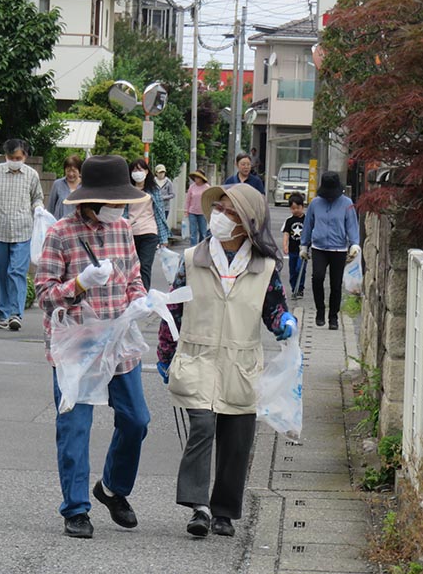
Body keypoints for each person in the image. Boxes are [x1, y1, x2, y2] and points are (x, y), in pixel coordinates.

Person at [156, 183, 296, 539]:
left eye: (229, 212)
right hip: (198, 357)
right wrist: (165, 354)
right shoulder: (193, 259)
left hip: (241, 362)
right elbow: (173, 308)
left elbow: (274, 307)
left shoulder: (264, 267)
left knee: (236, 441)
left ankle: (223, 512)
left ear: (247, 221)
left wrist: (283, 324)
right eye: (217, 209)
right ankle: (198, 506)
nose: (219, 217)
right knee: (202, 426)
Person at [35, 154, 152, 540]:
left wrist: (139, 299)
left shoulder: (122, 229)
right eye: (113, 201)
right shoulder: (60, 234)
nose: (118, 208)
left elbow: (134, 277)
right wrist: (79, 284)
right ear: (89, 199)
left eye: (122, 202)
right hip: (76, 344)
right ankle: (76, 508)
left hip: (119, 341)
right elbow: (44, 295)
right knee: (75, 425)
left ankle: (113, 488)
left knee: (136, 419)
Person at [0, 138, 45, 331]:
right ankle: (2, 314)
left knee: (16, 272)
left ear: (25, 156)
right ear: (5, 156)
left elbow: (37, 197)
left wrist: (39, 208)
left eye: (18, 157)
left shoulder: (31, 175)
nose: (14, 160)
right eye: (10, 157)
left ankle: (16, 314)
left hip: (23, 229)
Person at [300, 171, 360, 330]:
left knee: (336, 284)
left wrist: (354, 244)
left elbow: (352, 225)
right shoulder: (315, 203)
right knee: (317, 277)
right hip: (319, 247)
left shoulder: (347, 204)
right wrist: (303, 245)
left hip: (338, 248)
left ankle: (333, 316)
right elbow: (308, 225)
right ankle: (320, 310)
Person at [126, 158, 170, 290]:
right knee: (131, 267)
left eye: (140, 169)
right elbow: (122, 212)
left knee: (145, 266)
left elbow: (159, 213)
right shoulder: (127, 190)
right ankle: (132, 295)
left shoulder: (153, 190)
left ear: (146, 171)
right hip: (130, 233)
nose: (137, 172)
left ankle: (143, 299)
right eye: (134, 169)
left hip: (149, 232)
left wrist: (163, 238)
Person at [282, 193, 307, 300]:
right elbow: (286, 233)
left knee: (300, 268)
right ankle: (294, 289)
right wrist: (285, 245)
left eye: (298, 208)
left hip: (303, 250)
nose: (295, 210)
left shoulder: (307, 220)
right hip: (292, 250)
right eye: (293, 208)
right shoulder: (289, 221)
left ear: (303, 207)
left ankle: (300, 288)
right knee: (292, 270)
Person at [47, 154, 82, 220]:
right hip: (59, 226)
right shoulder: (57, 184)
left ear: (79, 171)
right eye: (68, 171)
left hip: (79, 226)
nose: (71, 174)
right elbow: (50, 208)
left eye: (74, 171)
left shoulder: (85, 185)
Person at [185, 169, 211, 246]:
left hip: (202, 212)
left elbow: (209, 199)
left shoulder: (207, 187)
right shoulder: (191, 187)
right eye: (195, 177)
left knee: (202, 232)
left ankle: (201, 247)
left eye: (198, 177)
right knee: (193, 232)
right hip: (192, 212)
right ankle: (193, 248)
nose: (196, 179)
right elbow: (188, 200)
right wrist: (186, 210)